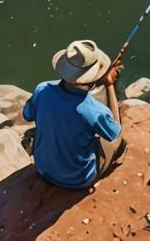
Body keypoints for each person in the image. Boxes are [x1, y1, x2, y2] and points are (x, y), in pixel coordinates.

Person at [22, 39, 125, 189]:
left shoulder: (42, 89)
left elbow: (27, 115)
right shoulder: (94, 111)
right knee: (120, 142)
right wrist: (109, 84)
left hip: (43, 170)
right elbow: (115, 132)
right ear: (94, 77)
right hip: (77, 179)